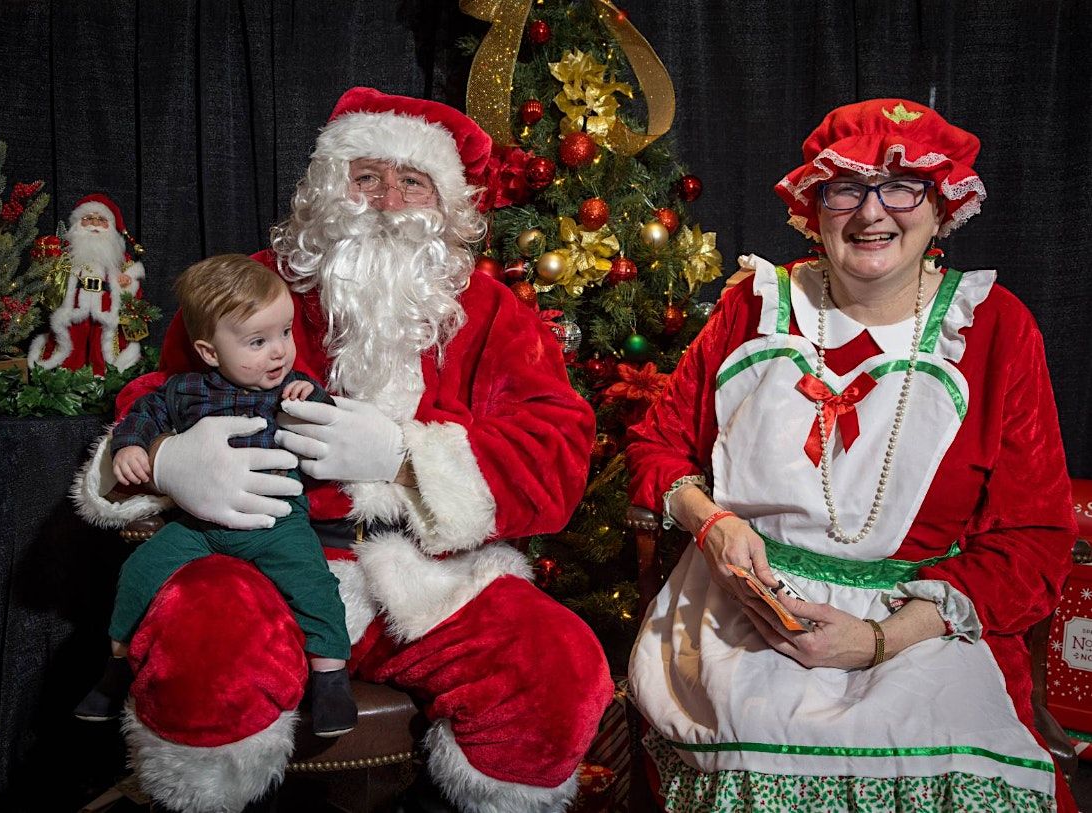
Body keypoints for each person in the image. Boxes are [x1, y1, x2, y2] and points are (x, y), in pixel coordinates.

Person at [72, 87, 613, 813]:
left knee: (556, 665)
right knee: (201, 634)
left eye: (411, 181)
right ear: (331, 188)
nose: (388, 200)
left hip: (431, 577)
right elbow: (158, 390)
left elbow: (558, 447)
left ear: (444, 205)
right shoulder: (252, 287)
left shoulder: (489, 311)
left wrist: (405, 454)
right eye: (367, 177)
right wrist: (166, 457)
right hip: (260, 559)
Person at [626, 98, 1078, 812]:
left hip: (915, 623)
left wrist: (877, 639)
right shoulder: (752, 306)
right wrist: (710, 523)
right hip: (742, 614)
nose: (872, 213)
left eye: (901, 187)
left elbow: (1032, 539)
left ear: (941, 209)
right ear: (814, 206)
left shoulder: (993, 328)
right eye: (846, 188)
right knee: (752, 744)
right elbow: (656, 446)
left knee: (945, 760)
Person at [72, 254, 356, 739]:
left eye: (285, 333)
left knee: (313, 583)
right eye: (257, 342)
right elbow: (143, 414)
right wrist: (133, 447)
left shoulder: (291, 387)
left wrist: (312, 398)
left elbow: (329, 418)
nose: (279, 353)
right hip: (200, 528)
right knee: (140, 570)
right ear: (208, 352)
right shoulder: (183, 391)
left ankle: (330, 678)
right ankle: (116, 667)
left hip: (277, 522)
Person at [28, 194, 145, 374]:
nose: (94, 224)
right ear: (77, 224)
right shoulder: (67, 254)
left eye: (101, 219)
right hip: (75, 304)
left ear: (111, 227)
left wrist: (127, 282)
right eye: (88, 218)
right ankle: (68, 374)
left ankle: (102, 375)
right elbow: (50, 279)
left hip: (104, 305)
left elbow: (134, 294)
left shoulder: (119, 260)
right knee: (73, 339)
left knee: (102, 341)